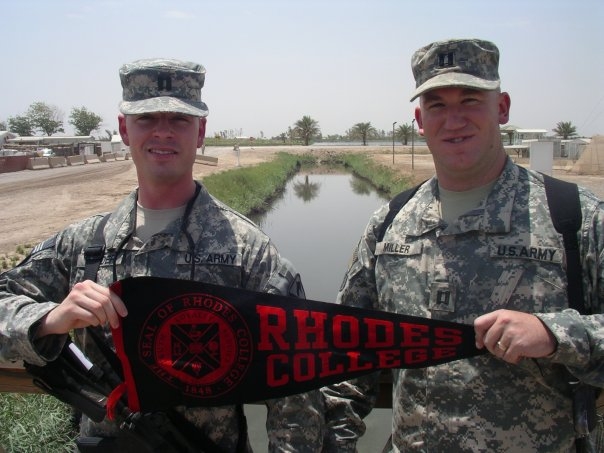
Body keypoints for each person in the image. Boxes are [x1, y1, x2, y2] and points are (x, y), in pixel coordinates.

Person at [0, 58, 325, 452]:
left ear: (201, 131)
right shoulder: (83, 244)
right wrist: (49, 319)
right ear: (123, 129)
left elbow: (296, 387)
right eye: (146, 118)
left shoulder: (249, 252)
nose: (163, 132)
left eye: (179, 120)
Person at [321, 38, 604, 452]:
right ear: (420, 119)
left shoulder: (576, 220)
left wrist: (555, 333)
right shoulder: (389, 227)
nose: (454, 120)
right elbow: (348, 356)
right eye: (437, 105)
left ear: (502, 108)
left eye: (470, 99)